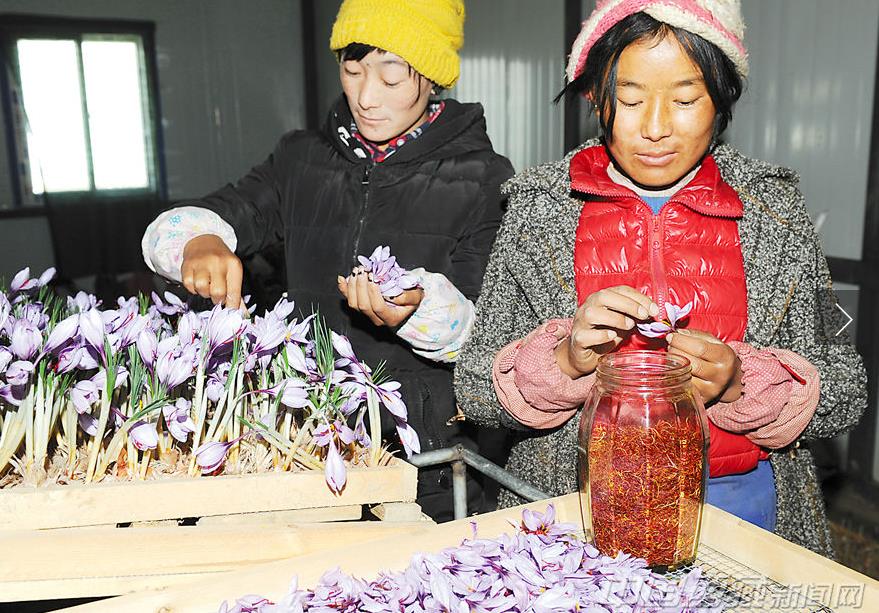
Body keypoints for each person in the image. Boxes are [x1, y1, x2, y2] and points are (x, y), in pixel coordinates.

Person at [455, 0, 866, 557]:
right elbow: (475, 385)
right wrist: (565, 361)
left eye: (685, 99)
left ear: (720, 97)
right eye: (629, 99)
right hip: (576, 532)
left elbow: (846, 388)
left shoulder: (775, 215)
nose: (654, 128)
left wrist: (741, 382)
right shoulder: (539, 211)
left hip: (744, 522)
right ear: (597, 97)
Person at [142, 0, 514, 521]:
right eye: (353, 69)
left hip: (424, 456)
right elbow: (217, 214)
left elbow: (491, 332)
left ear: (432, 77)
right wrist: (197, 241)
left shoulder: (483, 178)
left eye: (391, 76)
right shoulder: (301, 160)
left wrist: (418, 312)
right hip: (305, 440)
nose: (365, 97)